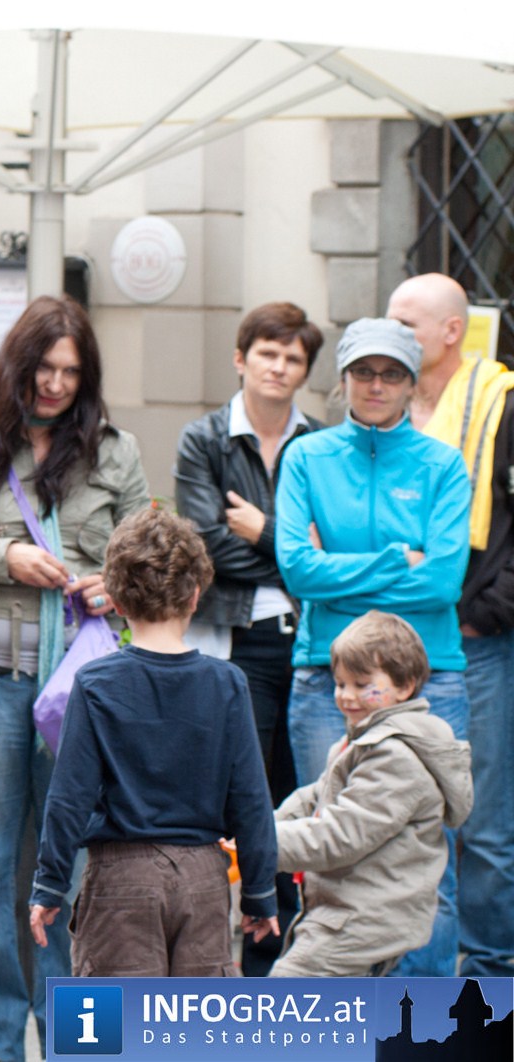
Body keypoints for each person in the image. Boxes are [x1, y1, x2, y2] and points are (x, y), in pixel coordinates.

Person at [0, 295, 148, 1062]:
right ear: (15, 364)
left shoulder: (114, 452)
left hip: (83, 695)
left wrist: (119, 586)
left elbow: (148, 559)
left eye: (71, 373)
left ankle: (80, 1045)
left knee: (76, 879)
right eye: (43, 368)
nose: (55, 385)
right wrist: (3, 557)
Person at [274, 316, 471, 978]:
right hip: (326, 675)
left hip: (431, 677)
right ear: (343, 379)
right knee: (327, 847)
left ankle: (426, 1027)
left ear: (413, 383)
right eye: (363, 371)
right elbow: (298, 570)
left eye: (391, 373)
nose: (376, 384)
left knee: (428, 866)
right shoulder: (307, 457)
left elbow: (443, 582)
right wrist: (395, 559)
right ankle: (341, 1024)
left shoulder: (443, 464)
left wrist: (341, 572)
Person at [27, 508, 279, 976]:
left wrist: (49, 884)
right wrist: (260, 892)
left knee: (112, 1019)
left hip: (120, 875)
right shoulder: (229, 683)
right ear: (196, 596)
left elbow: (69, 796)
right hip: (204, 878)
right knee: (196, 1020)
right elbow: (251, 798)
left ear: (118, 601)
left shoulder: (95, 683)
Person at [172, 301, 324, 974]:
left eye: (293, 357)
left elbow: (336, 551)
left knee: (304, 801)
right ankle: (244, 964)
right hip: (237, 642)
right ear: (241, 359)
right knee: (247, 800)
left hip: (312, 641)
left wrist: (263, 532)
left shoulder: (320, 444)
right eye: (268, 353)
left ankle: (292, 964)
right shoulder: (204, 440)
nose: (279, 367)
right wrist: (300, 552)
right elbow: (205, 547)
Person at [388, 272, 514, 979]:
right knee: (406, 811)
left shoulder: (502, 403)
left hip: (475, 641)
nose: (393, 332)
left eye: (406, 322)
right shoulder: (384, 407)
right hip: (394, 642)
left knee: (484, 814)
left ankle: (490, 969)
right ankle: (415, 968)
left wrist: (484, 613)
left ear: (450, 332)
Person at [272, 611, 473, 977]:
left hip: (363, 920)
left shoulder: (395, 756)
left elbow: (340, 835)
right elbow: (315, 797)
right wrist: (260, 825)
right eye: (340, 683)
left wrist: (262, 844)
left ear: (404, 686)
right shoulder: (361, 742)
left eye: (362, 684)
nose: (347, 696)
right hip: (348, 911)